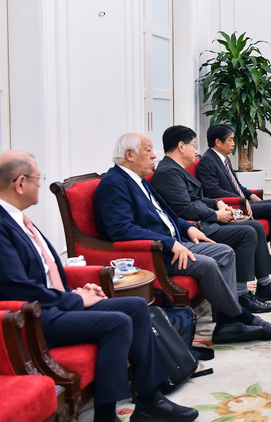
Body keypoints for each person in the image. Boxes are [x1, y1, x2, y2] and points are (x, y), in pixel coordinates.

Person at [0, 151, 198, 422]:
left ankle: (149, 400)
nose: (40, 184)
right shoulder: (2, 225)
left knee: (137, 306)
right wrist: (75, 300)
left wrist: (75, 291)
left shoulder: (18, 218)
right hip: (34, 318)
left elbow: (44, 273)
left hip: (55, 303)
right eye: (38, 178)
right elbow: (17, 288)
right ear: (20, 183)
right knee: (116, 322)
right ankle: (106, 416)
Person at [95, 133, 271, 344]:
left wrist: (188, 229)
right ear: (129, 155)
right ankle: (239, 317)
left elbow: (167, 214)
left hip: (175, 241)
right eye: (148, 151)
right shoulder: (114, 184)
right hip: (155, 252)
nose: (153, 157)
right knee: (209, 264)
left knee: (225, 252)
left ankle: (227, 323)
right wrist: (169, 243)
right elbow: (121, 229)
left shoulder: (138, 180)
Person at [150, 126, 271, 308]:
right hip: (195, 227)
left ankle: (265, 284)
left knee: (256, 227)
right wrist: (216, 215)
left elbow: (197, 198)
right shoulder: (168, 172)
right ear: (181, 146)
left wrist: (217, 203)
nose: (196, 151)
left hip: (202, 219)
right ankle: (241, 294)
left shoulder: (176, 169)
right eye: (194, 145)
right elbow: (185, 209)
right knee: (249, 232)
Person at [197, 123, 271, 270]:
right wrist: (241, 200)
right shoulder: (207, 162)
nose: (233, 144)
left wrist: (251, 195)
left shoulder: (224, 159)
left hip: (241, 201)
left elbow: (237, 186)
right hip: (233, 205)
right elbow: (213, 191)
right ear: (218, 142)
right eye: (230, 140)